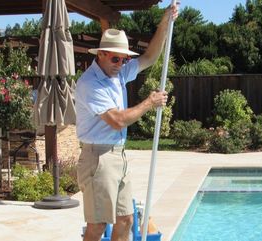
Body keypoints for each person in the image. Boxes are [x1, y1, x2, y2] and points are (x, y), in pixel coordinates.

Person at [75, 4, 179, 241]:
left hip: (118, 155)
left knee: (126, 220)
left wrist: (164, 22)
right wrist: (149, 103)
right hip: (98, 158)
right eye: (115, 58)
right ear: (100, 54)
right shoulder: (90, 83)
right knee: (98, 225)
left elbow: (150, 57)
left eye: (123, 59)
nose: (120, 64)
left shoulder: (118, 73)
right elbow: (117, 121)